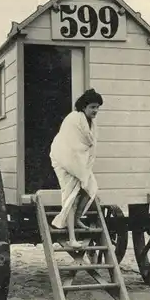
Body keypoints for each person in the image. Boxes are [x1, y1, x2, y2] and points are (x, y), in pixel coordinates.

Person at [49, 88, 103, 248]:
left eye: (97, 107)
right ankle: (72, 239)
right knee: (71, 196)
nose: (95, 111)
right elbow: (71, 145)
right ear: (84, 107)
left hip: (79, 162)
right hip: (65, 160)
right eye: (92, 107)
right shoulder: (73, 119)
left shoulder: (92, 123)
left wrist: (84, 168)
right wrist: (79, 169)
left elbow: (89, 146)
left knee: (90, 188)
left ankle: (78, 218)